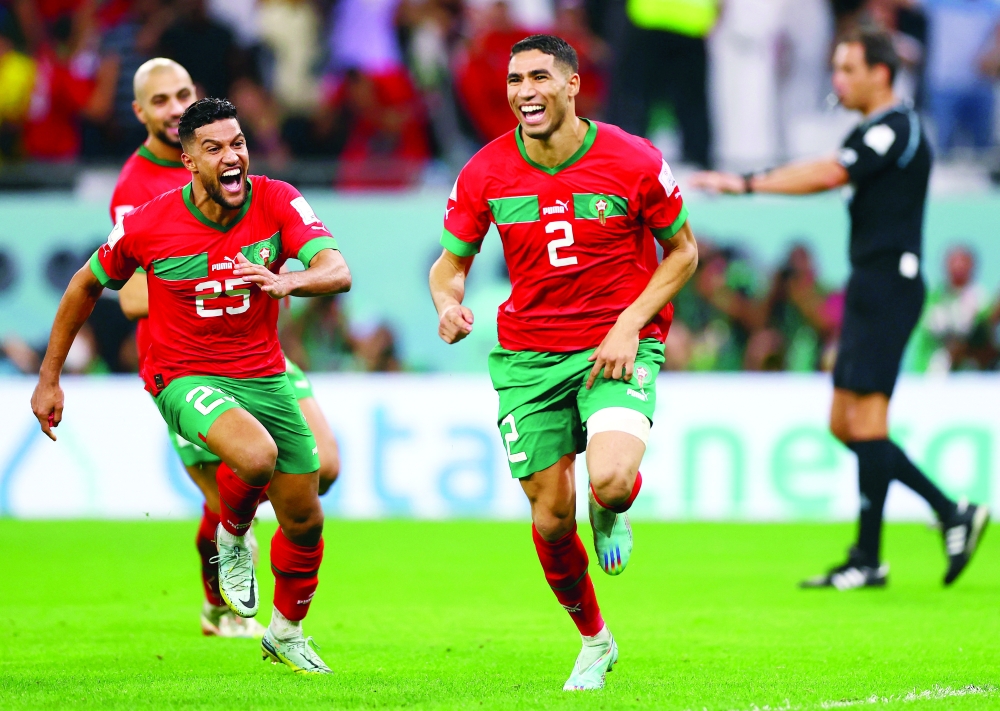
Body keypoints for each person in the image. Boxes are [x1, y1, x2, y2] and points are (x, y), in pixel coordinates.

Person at [31, 98, 352, 674]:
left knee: (306, 517)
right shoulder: (150, 222)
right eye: (215, 148)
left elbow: (337, 269)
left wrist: (289, 280)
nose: (233, 157)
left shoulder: (277, 199)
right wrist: (49, 377)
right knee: (256, 457)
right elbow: (84, 286)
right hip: (183, 374)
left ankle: (286, 633)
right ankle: (232, 541)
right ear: (189, 162)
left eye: (238, 144)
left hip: (265, 373)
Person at [428, 35, 698, 690]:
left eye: (540, 77)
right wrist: (447, 302)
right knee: (551, 517)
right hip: (528, 359)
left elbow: (683, 252)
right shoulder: (486, 172)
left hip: (616, 344)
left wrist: (630, 323)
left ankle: (614, 505)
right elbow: (450, 265)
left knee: (606, 480)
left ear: (573, 85)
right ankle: (594, 639)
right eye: (515, 80)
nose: (525, 91)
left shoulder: (633, 160)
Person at [690, 28, 989, 589]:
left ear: (882, 71)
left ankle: (869, 558)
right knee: (845, 424)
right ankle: (951, 512)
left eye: (848, 68)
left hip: (890, 285)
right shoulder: (871, 130)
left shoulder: (896, 127)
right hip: (870, 283)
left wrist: (745, 183)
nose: (838, 80)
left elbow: (830, 172)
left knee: (867, 421)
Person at [112, 58, 342, 639]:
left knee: (324, 470)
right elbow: (129, 297)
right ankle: (219, 603)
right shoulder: (138, 193)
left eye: (182, 93)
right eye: (159, 99)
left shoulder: (249, 181)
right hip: (185, 359)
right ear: (141, 113)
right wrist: (207, 276)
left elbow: (329, 265)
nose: (172, 106)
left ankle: (259, 590)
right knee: (238, 480)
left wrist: (280, 278)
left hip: (258, 350)